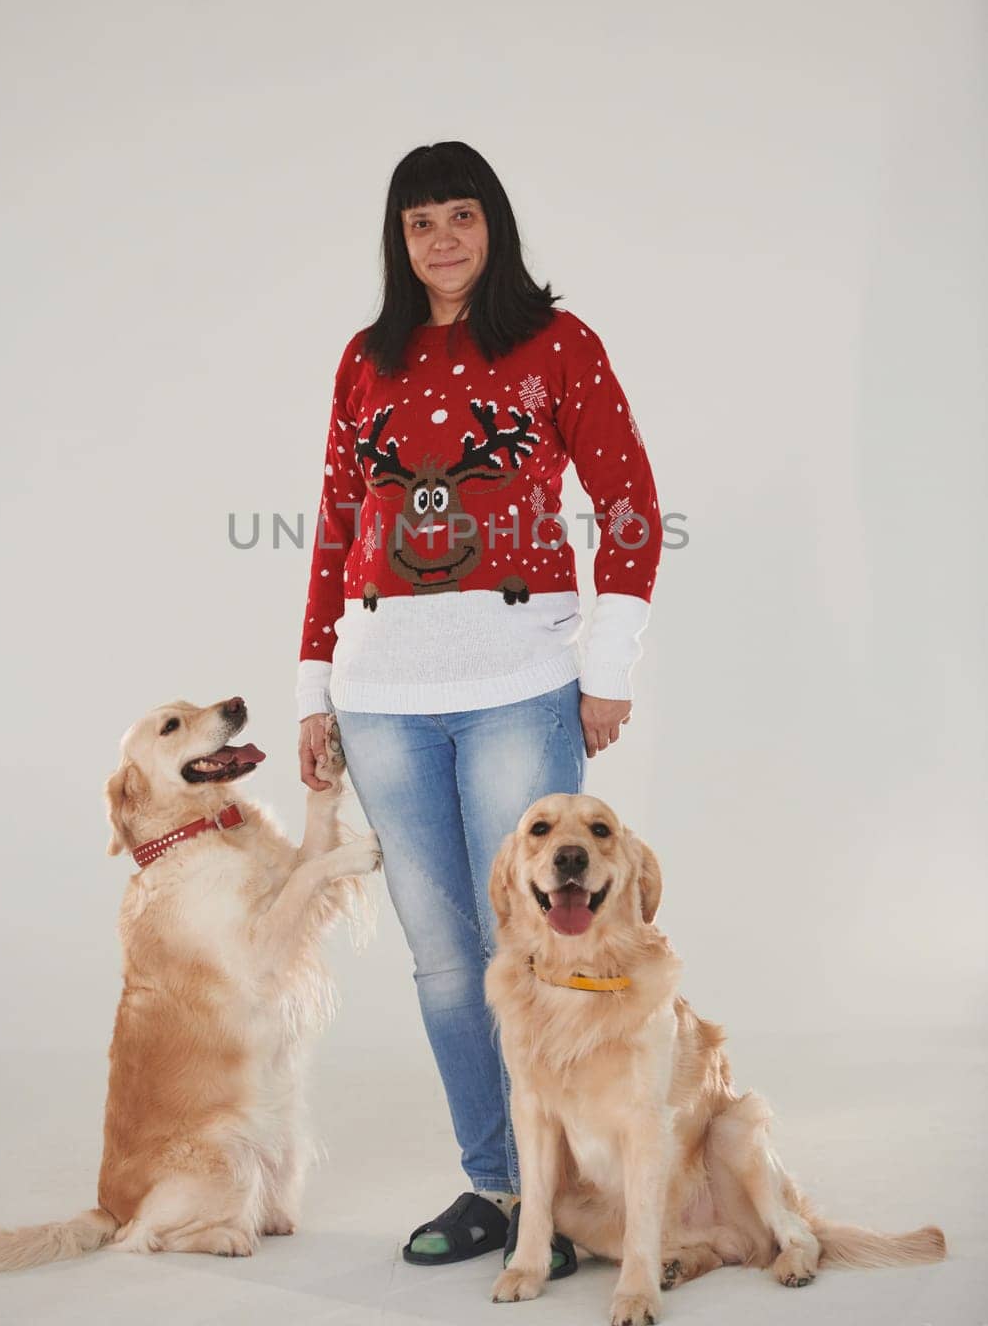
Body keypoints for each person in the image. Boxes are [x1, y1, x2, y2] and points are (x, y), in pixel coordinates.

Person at [296, 141, 662, 1271]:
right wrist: (315, 686)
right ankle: (500, 1189)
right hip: (384, 701)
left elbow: (629, 500)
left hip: (516, 685)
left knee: (543, 945)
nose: (442, 239)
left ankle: (573, 1194)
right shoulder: (368, 359)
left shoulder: (557, 345)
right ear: (398, 239)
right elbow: (332, 523)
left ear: (491, 224)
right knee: (447, 960)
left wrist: (606, 668)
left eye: (462, 215)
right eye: (420, 222)